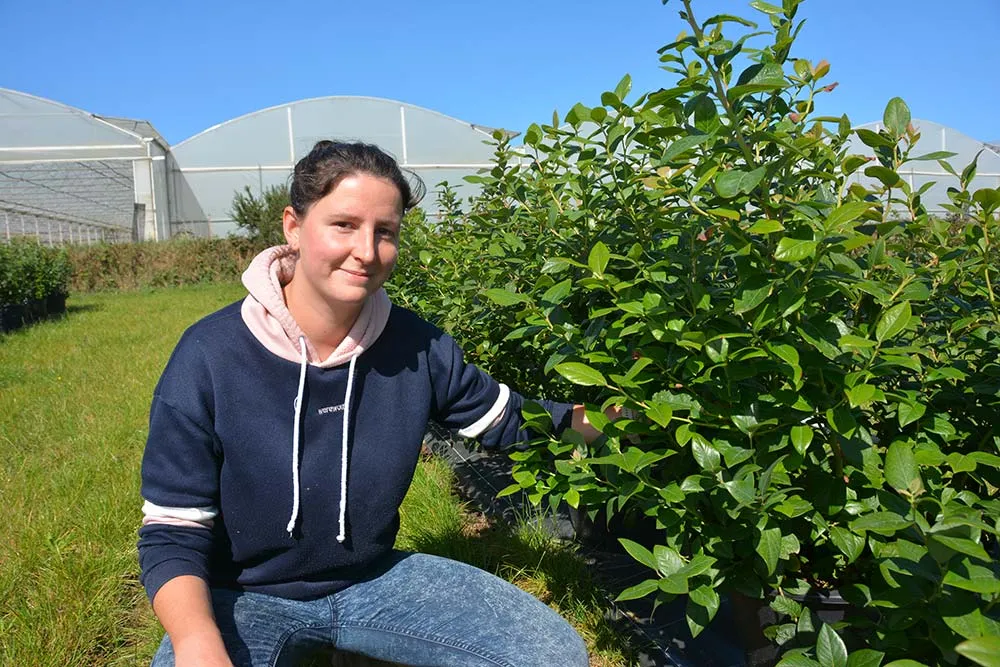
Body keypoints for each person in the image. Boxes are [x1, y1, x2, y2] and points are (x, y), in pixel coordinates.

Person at [138, 140, 611, 667]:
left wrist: (622, 423)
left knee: (554, 655)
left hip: (373, 579)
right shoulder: (210, 354)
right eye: (344, 225)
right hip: (242, 596)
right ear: (293, 226)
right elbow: (172, 530)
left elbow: (509, 420)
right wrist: (198, 641)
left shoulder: (417, 347)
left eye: (385, 232)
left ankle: (358, 649)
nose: (366, 251)